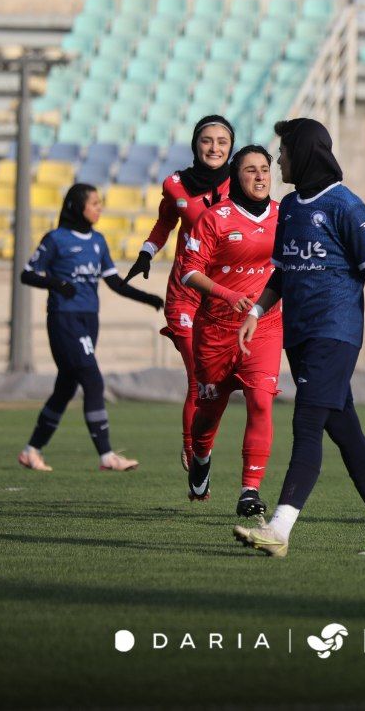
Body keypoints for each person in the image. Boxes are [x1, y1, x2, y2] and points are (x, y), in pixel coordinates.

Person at [232, 118, 365, 558]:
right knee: (345, 431)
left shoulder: (346, 206)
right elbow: (282, 268)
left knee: (305, 424)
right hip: (301, 334)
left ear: (305, 153)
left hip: (336, 333)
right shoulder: (290, 206)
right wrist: (257, 310)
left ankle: (279, 529)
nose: (278, 160)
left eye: (284, 151)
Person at [17, 184, 164, 472]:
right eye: (94, 203)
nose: (99, 207)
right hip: (64, 319)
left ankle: (31, 450)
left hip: (89, 319)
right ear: (76, 206)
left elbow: (113, 282)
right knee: (93, 380)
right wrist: (56, 283)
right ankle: (106, 455)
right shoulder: (56, 239)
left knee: (66, 387)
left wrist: (147, 298)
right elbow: (27, 274)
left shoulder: (97, 240)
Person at [177, 145, 282, 520]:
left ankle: (250, 490)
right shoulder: (215, 218)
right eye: (250, 170)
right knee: (209, 412)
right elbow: (188, 271)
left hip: (264, 327)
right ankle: (201, 455)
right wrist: (226, 293)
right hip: (217, 330)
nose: (259, 176)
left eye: (265, 169)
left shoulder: (284, 216)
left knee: (261, 401)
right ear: (236, 177)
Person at [125, 116, 233, 471]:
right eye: (207, 140)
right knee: (198, 376)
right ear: (195, 144)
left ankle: (203, 446)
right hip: (185, 293)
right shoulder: (175, 185)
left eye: (221, 141)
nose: (214, 148)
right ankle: (192, 450)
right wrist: (146, 252)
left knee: (216, 385)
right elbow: (164, 223)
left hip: (224, 296)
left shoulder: (244, 183)